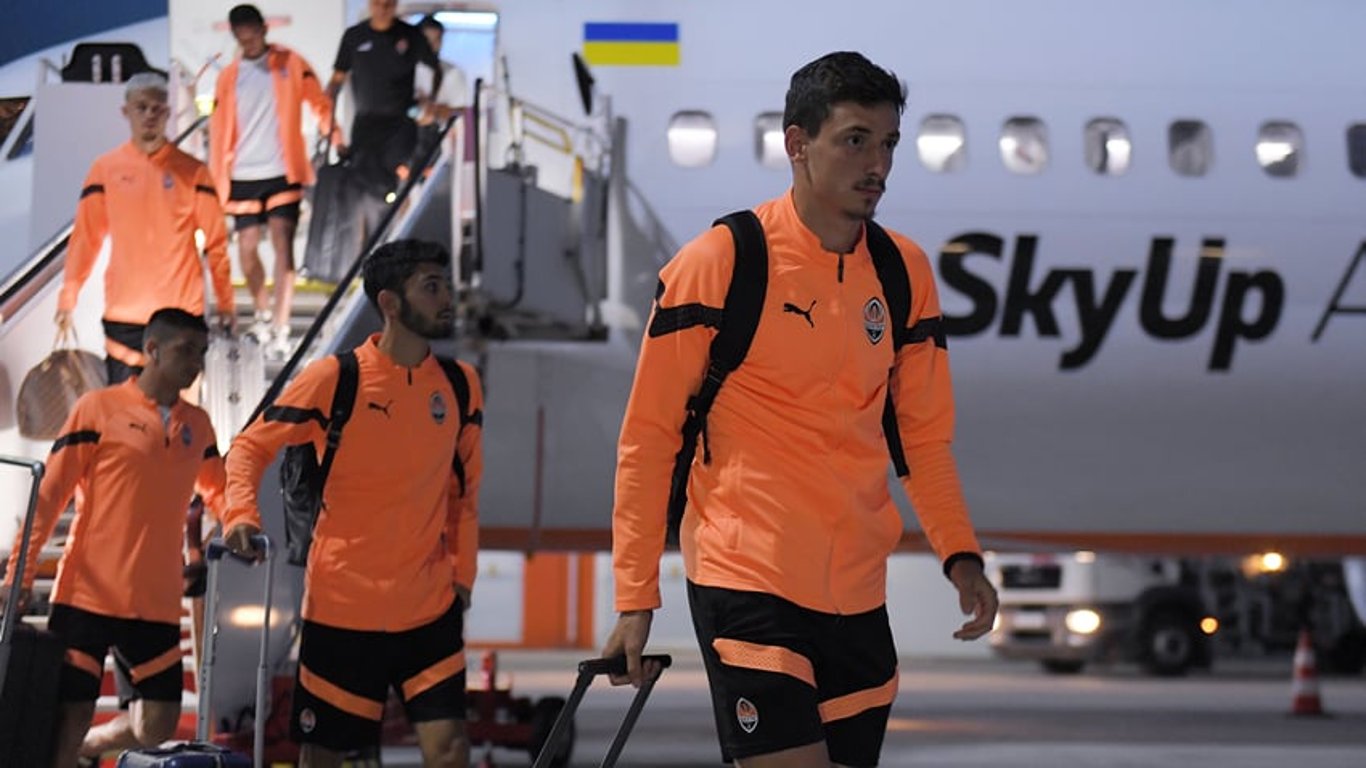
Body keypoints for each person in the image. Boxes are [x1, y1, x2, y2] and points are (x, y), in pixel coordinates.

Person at [602, 52, 999, 768]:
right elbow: (649, 439)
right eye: (855, 140)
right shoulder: (720, 262)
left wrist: (960, 555)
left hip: (858, 591)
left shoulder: (905, 273)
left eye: (888, 143)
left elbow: (922, 437)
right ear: (797, 144)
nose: (877, 164)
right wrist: (636, 597)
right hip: (745, 576)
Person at [222, 239, 481, 768]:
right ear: (390, 303)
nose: (446, 298)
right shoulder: (336, 378)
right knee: (324, 756)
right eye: (431, 287)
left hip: (428, 608)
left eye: (445, 286)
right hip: (342, 608)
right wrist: (241, 514)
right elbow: (249, 446)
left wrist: (463, 576)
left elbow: (465, 492)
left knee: (450, 748)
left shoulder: (460, 384)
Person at [1, 308, 226, 767]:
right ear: (152, 350)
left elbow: (220, 489)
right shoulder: (98, 408)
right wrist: (19, 576)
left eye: (202, 352)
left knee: (156, 725)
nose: (196, 362)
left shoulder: (198, 424)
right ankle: (74, 748)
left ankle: (90, 748)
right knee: (71, 715)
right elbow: (49, 497)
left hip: (155, 600)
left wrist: (242, 522)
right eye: (187, 351)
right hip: (87, 594)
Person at [59, 73, 233, 384]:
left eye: (157, 108)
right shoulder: (105, 170)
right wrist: (68, 296)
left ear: (168, 112)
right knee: (124, 409)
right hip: (124, 317)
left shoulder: (194, 173)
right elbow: (86, 238)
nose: (149, 115)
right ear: (126, 111)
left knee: (180, 410)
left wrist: (225, 301)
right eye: (141, 107)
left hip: (181, 315)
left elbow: (216, 242)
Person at [209, 4, 337, 359]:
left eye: (253, 34)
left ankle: (281, 327)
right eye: (242, 37)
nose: (249, 42)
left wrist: (336, 136)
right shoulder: (229, 77)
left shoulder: (289, 63)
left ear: (264, 30)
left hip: (283, 169)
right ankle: (263, 312)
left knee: (283, 243)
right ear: (236, 37)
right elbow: (219, 129)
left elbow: (318, 101)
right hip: (242, 174)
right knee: (247, 249)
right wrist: (216, 179)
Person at [327, 0, 442, 236]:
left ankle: (398, 239)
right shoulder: (354, 36)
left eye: (388, 3)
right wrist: (328, 115)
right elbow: (337, 79)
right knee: (362, 188)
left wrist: (428, 100)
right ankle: (362, 247)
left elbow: (434, 69)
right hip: (365, 127)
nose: (383, 8)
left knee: (399, 187)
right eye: (378, 3)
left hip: (401, 127)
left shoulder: (410, 36)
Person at [411, 15, 469, 172]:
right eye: (426, 40)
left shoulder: (452, 73)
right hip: (404, 149)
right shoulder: (402, 71)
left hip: (438, 150)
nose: (432, 46)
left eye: (437, 40)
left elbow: (461, 113)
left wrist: (436, 111)